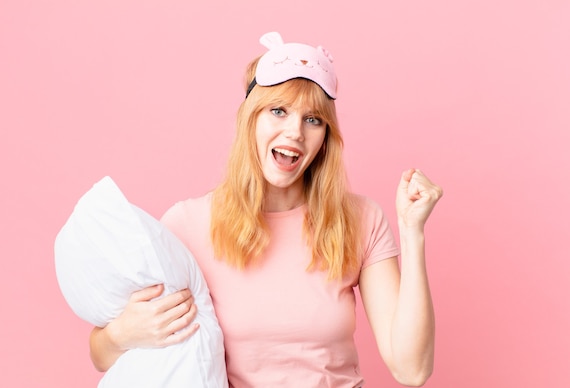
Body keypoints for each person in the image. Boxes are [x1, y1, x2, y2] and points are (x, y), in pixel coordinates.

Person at [89, 31, 442, 387]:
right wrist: (120, 335)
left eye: (313, 119)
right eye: (278, 111)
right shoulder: (188, 225)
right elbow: (101, 355)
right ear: (250, 119)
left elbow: (411, 369)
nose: (295, 133)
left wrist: (411, 231)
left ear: (325, 138)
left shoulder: (361, 220)